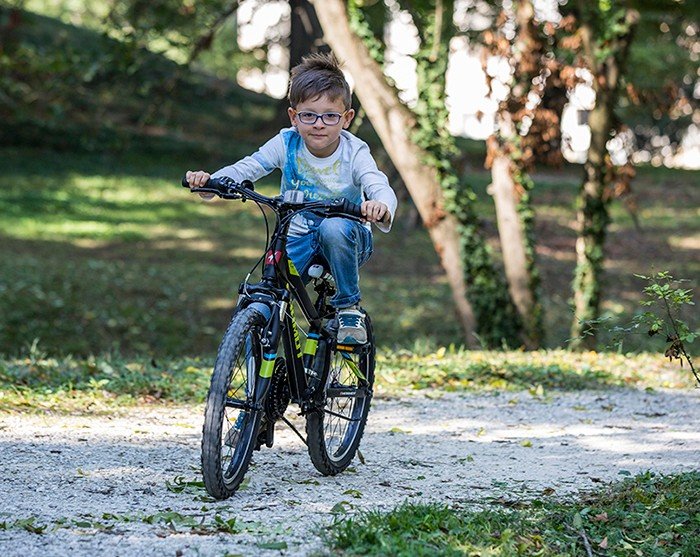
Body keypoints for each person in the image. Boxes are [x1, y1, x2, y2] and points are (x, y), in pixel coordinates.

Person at [185, 53, 397, 345]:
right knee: (266, 291)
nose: (319, 124)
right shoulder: (287, 142)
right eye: (308, 115)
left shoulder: (354, 151)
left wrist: (380, 206)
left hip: (348, 238)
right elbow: (251, 165)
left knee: (333, 228)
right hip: (297, 236)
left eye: (330, 116)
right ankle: (260, 359)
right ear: (293, 116)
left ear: (346, 119)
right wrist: (213, 182)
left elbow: (377, 183)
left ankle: (348, 307)